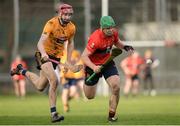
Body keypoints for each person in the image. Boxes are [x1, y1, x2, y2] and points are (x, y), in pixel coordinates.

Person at [10, 3, 80, 123]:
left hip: (56, 58)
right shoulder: (51, 24)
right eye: (66, 14)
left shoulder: (72, 27)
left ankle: (21, 70)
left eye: (70, 15)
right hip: (43, 54)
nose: (68, 17)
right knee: (54, 80)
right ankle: (54, 114)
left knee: (40, 86)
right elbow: (39, 43)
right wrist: (43, 54)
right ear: (60, 14)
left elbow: (71, 43)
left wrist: (67, 61)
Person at [81, 16, 134, 122]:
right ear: (102, 28)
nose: (111, 30)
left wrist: (124, 47)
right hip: (93, 66)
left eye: (112, 27)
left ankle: (111, 115)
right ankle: (87, 81)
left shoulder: (114, 33)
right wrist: (93, 67)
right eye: (108, 28)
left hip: (107, 63)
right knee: (89, 96)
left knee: (116, 86)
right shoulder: (95, 39)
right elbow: (84, 56)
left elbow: (117, 42)